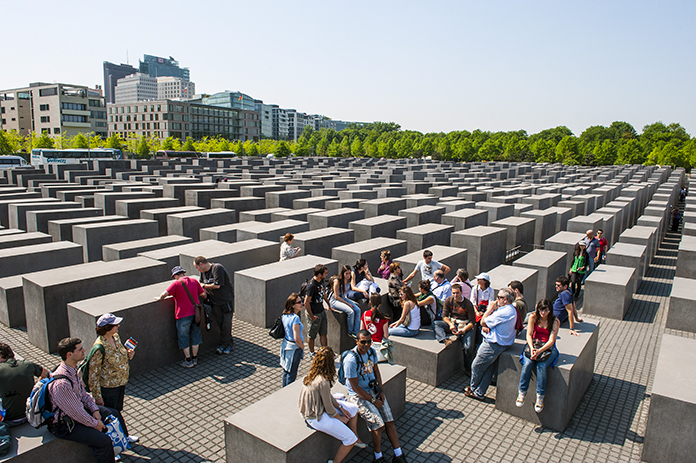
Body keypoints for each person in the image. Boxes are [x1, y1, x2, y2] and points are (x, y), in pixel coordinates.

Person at [48, 337, 135, 463]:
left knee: (113, 413)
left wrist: (95, 411)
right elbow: (76, 412)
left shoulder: (72, 369)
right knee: (103, 441)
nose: (84, 350)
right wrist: (95, 423)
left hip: (78, 411)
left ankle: (122, 441)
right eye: (80, 349)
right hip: (66, 424)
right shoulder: (61, 384)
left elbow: (83, 395)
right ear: (69, 354)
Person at [344, 330, 407, 463]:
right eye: (363, 342)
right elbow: (354, 387)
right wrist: (372, 400)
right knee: (378, 424)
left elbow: (376, 371)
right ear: (357, 341)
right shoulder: (351, 359)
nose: (366, 345)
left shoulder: (372, 352)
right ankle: (378, 457)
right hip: (359, 395)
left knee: (389, 420)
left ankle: (398, 454)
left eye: (368, 342)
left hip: (374, 390)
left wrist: (381, 391)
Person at [299, 346, 366, 463]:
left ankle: (356, 438)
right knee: (349, 439)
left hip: (319, 407)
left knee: (354, 409)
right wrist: (340, 417)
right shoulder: (323, 381)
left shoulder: (313, 373)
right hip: (315, 417)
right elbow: (328, 408)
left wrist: (340, 407)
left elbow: (328, 397)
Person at [464, 288, 517, 400]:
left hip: (493, 344)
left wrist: (490, 308)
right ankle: (480, 392)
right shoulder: (510, 309)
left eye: (499, 297)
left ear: (505, 300)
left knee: (476, 365)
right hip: (501, 343)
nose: (497, 300)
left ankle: (473, 389)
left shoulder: (503, 312)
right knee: (489, 368)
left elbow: (483, 321)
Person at [155, 266, 207, 368]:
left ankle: (188, 360)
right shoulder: (194, 281)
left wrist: (159, 298)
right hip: (196, 314)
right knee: (195, 335)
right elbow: (203, 294)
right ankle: (195, 358)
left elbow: (164, 294)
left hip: (183, 315)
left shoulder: (176, 283)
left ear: (175, 275)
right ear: (183, 273)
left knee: (184, 337)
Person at [516, 299, 560, 413]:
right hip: (533, 345)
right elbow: (529, 335)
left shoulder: (555, 321)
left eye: (546, 310)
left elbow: (551, 340)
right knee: (528, 364)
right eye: (541, 310)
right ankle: (522, 392)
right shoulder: (533, 317)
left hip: (547, 348)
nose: (543, 313)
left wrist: (539, 351)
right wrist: (532, 349)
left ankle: (540, 396)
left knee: (542, 367)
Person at [87, 314, 135, 416]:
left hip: (120, 383)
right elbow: (93, 375)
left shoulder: (116, 337)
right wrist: (97, 397)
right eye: (115, 324)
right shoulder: (99, 347)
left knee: (118, 410)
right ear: (108, 328)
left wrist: (129, 354)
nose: (118, 326)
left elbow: (119, 356)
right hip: (109, 388)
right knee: (111, 414)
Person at [432, 283, 477, 375]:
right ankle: (444, 339)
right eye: (453, 293)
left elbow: (472, 322)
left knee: (467, 347)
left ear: (461, 292)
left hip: (465, 325)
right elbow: (444, 316)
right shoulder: (449, 300)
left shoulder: (468, 304)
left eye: (457, 293)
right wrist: (451, 324)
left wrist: (463, 330)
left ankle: (468, 368)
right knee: (436, 323)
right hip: (453, 323)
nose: (455, 295)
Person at [194, 256, 235, 355]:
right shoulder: (203, 273)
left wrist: (203, 286)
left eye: (197, 267)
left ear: (201, 264)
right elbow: (200, 283)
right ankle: (229, 343)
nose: (197, 270)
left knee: (226, 324)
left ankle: (223, 345)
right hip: (214, 302)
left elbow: (217, 285)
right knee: (220, 324)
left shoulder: (217, 268)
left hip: (225, 301)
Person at [0, 342, 48, 426]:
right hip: (31, 414)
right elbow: (46, 374)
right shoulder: (27, 364)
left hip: (9, 419)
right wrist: (36, 387)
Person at [329, 265, 361, 337]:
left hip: (343, 298)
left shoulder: (349, 280)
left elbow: (352, 287)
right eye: (346, 273)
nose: (348, 275)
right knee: (351, 311)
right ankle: (350, 332)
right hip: (334, 300)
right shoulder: (337, 281)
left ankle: (356, 331)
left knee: (358, 309)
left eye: (349, 273)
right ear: (343, 273)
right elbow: (337, 296)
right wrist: (348, 304)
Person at [305, 264, 330, 358]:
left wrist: (328, 303)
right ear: (320, 274)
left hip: (321, 311)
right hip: (314, 313)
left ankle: (325, 351)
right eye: (325, 273)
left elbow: (323, 293)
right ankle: (311, 352)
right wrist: (311, 316)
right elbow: (306, 302)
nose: (326, 275)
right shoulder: (311, 285)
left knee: (323, 333)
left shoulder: (321, 282)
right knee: (312, 335)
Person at [280, 293, 304, 387]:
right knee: (292, 374)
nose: (301, 303)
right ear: (293, 305)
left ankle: (283, 390)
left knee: (286, 371)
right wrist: (302, 346)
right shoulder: (295, 318)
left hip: (286, 346)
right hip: (294, 348)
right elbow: (296, 337)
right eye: (299, 302)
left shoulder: (285, 315)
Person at [361, 293, 392, 363]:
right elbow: (386, 336)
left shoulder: (365, 314)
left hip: (367, 350)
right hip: (380, 352)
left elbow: (361, 331)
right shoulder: (384, 318)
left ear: (370, 302)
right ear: (380, 303)